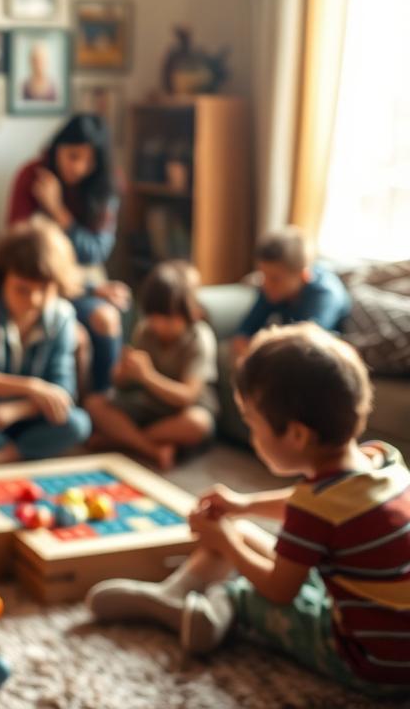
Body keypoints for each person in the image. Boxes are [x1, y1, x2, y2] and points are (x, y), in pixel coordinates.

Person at [87, 324, 410, 698]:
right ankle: (176, 593)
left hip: (374, 662)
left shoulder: (316, 506)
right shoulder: (383, 460)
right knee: (253, 538)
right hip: (391, 628)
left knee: (250, 586)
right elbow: (317, 508)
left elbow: (279, 589)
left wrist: (227, 545)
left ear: (298, 435)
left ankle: (208, 607)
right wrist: (244, 505)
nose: (252, 435)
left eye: (252, 424)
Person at [0, 217, 92, 466]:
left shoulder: (62, 317)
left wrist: (17, 409)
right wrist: (31, 387)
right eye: (22, 289)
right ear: (3, 281)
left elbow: (62, 391)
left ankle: (4, 456)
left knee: (78, 423)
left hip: (29, 416)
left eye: (43, 289)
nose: (33, 300)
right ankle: (24, 452)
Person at [7, 114, 130, 394]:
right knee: (78, 337)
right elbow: (22, 250)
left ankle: (106, 404)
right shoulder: (32, 176)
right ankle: (73, 412)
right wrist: (91, 289)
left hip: (85, 280)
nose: (79, 167)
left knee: (108, 318)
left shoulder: (106, 184)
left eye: (89, 160)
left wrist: (58, 212)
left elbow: (94, 252)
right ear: (56, 149)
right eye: (72, 156)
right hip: (42, 283)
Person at [85, 261, 217, 470]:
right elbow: (120, 385)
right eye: (155, 318)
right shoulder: (146, 331)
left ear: (186, 311)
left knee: (198, 423)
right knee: (94, 404)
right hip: (148, 404)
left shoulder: (199, 337)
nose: (161, 325)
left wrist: (147, 376)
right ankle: (151, 448)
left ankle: (120, 441)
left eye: (169, 318)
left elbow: (187, 397)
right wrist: (123, 371)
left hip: (183, 410)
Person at [231, 226, 351, 365]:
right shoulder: (272, 289)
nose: (266, 284)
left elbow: (303, 349)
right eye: (263, 275)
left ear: (303, 276)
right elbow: (243, 334)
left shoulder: (325, 296)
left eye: (275, 279)